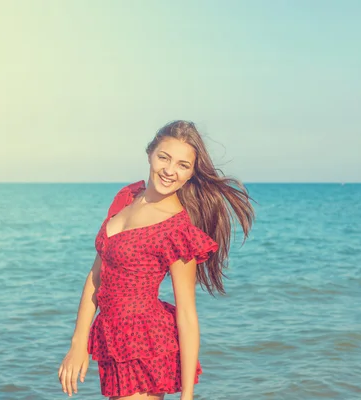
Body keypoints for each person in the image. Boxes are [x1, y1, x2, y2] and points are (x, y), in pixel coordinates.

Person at [58, 120, 255, 399]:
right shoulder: (125, 197)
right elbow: (96, 276)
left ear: (190, 174)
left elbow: (186, 314)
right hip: (111, 340)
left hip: (145, 344)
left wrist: (187, 396)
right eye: (164, 157)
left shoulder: (176, 229)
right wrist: (78, 343)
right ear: (150, 153)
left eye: (183, 165)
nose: (170, 171)